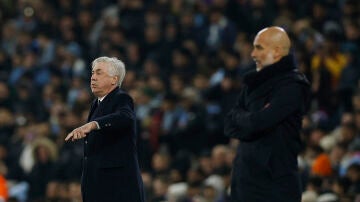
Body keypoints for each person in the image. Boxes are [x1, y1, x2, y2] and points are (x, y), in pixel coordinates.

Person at [224, 26, 310, 201]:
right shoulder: (251, 82)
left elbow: (259, 123)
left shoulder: (292, 86)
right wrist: (250, 119)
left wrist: (245, 120)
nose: (252, 54)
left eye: (259, 48)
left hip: (274, 184)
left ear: (277, 52)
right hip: (244, 180)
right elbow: (229, 124)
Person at [65, 56, 145, 202]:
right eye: (92, 73)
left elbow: (125, 117)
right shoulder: (96, 103)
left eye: (99, 73)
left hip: (117, 187)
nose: (93, 78)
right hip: (98, 185)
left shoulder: (122, 98)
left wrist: (94, 124)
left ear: (114, 79)